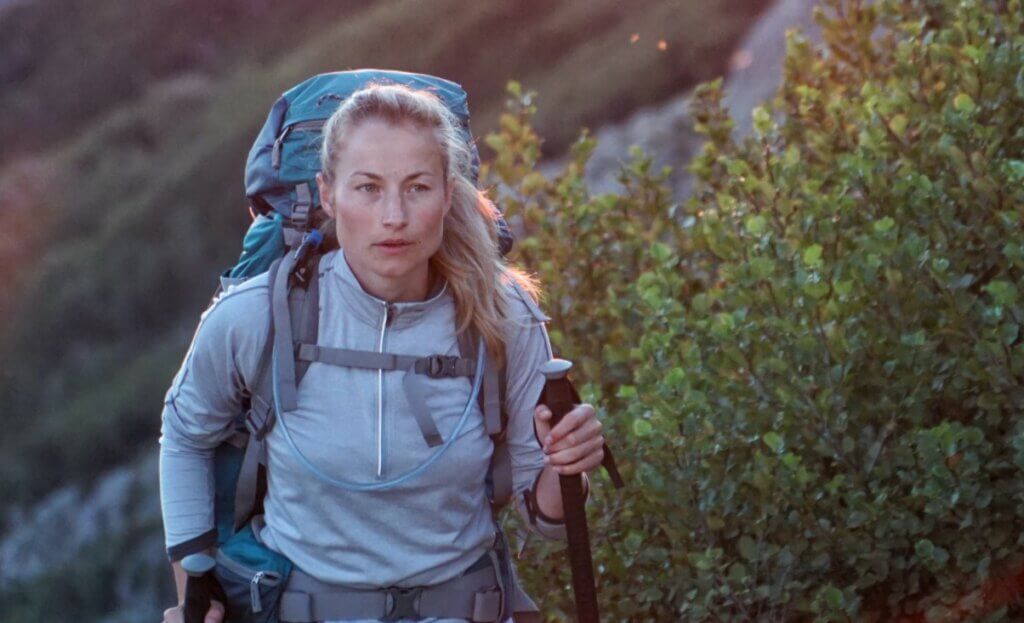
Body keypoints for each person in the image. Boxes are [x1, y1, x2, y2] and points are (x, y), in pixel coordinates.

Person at [159, 82, 607, 623]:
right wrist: (193, 589)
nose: (394, 216)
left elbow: (548, 520)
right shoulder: (258, 314)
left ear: (449, 194)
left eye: (417, 187)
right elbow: (185, 432)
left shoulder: (503, 314)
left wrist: (568, 465)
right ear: (328, 195)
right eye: (368, 188)